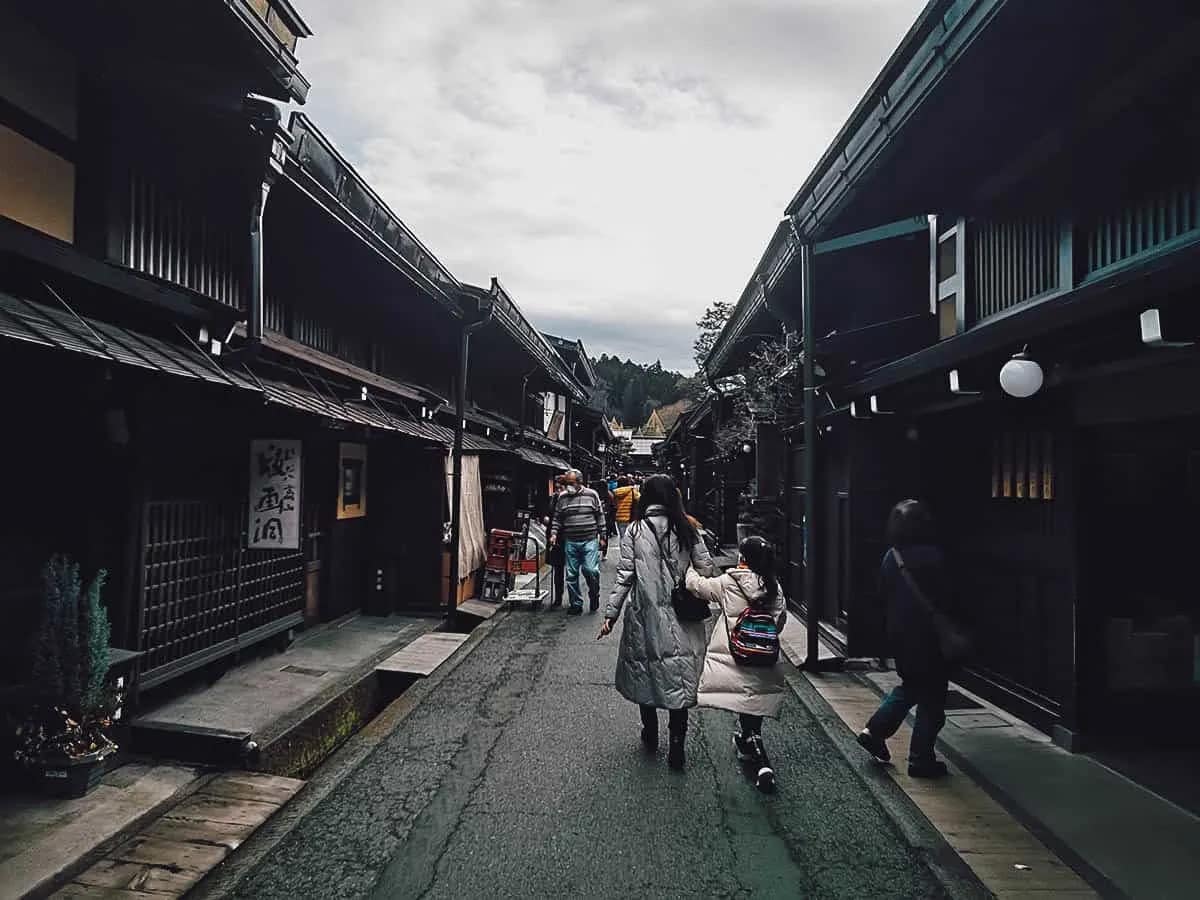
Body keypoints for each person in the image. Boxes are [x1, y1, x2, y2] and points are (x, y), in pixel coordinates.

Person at [599, 474, 716, 770]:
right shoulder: (688, 528)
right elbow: (706, 568)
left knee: (645, 672)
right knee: (680, 679)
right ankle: (677, 745)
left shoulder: (636, 531)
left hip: (645, 615)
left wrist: (611, 614)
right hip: (683, 616)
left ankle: (650, 733)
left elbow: (625, 576)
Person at [856, 499, 959, 778]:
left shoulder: (892, 557)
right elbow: (949, 597)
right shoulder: (935, 557)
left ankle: (874, 730)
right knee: (933, 697)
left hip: (900, 635)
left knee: (910, 686)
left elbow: (881, 596)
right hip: (930, 637)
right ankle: (920, 758)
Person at [686, 535, 788, 792]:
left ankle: (760, 758)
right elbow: (780, 620)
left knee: (745, 700)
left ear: (742, 558)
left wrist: (687, 567)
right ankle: (749, 739)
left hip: (736, 654)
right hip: (764, 655)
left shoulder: (729, 582)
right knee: (753, 702)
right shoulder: (773, 586)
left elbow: (698, 586)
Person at [549, 469, 607, 614]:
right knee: (571, 575)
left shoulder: (592, 494)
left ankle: (594, 594)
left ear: (580, 482)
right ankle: (576, 604)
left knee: (590, 570)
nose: (568, 486)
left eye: (571, 483)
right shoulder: (562, 497)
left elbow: (599, 515)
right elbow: (557, 517)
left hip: (589, 539)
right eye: (567, 483)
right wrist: (554, 534)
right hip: (571, 540)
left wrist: (603, 535)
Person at [543, 475, 567, 608]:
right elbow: (547, 513)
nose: (558, 490)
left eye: (560, 487)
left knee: (571, 570)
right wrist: (546, 517)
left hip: (567, 535)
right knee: (557, 568)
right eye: (556, 487)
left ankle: (575, 598)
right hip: (554, 536)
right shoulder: (553, 499)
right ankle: (558, 597)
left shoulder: (569, 500)